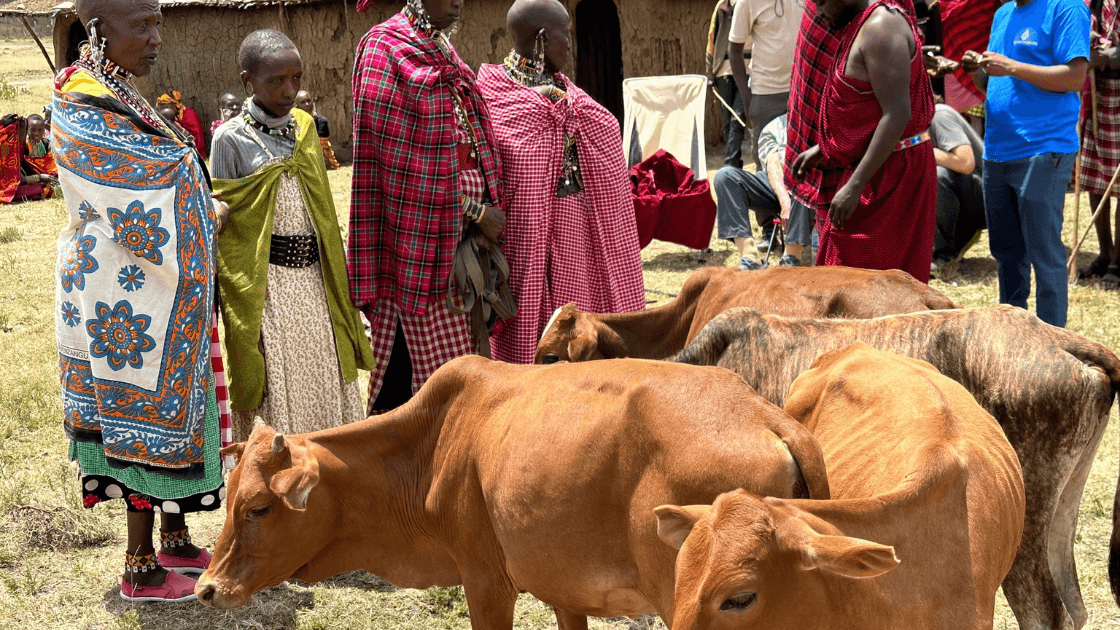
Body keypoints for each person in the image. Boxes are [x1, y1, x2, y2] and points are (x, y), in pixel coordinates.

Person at [52, 0, 231, 602]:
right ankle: (139, 567)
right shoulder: (81, 99)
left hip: (153, 286)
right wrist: (201, 205)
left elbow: (163, 167)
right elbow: (147, 179)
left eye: (159, 23)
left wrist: (196, 198)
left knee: (177, 407)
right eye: (143, 26)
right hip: (122, 298)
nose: (157, 37)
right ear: (101, 28)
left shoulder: (117, 88)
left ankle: (176, 537)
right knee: (137, 425)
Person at [211, 31, 372, 441]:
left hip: (316, 284)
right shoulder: (229, 139)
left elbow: (320, 209)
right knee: (279, 388)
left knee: (325, 376)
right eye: (276, 81)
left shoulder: (304, 128)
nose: (290, 90)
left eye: (296, 79)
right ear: (248, 81)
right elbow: (229, 228)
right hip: (269, 290)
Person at [350, 0, 506, 411]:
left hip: (463, 243)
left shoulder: (440, 49)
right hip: (416, 239)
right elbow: (396, 165)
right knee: (421, 369)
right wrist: (474, 211)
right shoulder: (384, 49)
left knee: (461, 356)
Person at [476, 0, 646, 365]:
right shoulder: (494, 97)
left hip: (576, 231)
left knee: (579, 325)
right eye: (564, 37)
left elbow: (603, 127)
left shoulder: (566, 93)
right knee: (531, 332)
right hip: (523, 237)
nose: (570, 45)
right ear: (540, 38)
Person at [961, 0, 1088, 326]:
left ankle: (1053, 343)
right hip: (998, 150)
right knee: (1006, 253)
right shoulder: (1004, 13)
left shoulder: (1066, 7)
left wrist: (1013, 66)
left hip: (1043, 149)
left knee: (1044, 254)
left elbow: (1075, 77)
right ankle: (1013, 337)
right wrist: (978, 70)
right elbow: (993, 85)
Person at [791, 0, 937, 283]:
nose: (819, 13)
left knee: (876, 284)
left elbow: (897, 114)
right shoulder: (861, 26)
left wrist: (854, 185)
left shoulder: (881, 28)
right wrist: (824, 148)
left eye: (822, 2)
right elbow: (872, 109)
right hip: (882, 164)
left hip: (897, 174)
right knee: (854, 282)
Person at [714, 114, 811, 269]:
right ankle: (750, 257)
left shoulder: (820, 124)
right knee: (725, 177)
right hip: (777, 184)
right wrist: (784, 201)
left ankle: (791, 260)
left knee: (807, 180)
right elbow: (773, 165)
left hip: (809, 187)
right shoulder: (775, 127)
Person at [728, 0, 801, 173]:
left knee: (800, 160)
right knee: (767, 164)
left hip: (802, 92)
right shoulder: (747, 2)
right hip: (765, 94)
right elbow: (734, 49)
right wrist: (747, 99)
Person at [1078, 0, 1120, 288]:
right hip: (1097, 93)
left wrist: (1107, 57)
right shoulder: (1094, 2)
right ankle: (1105, 253)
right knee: (1095, 179)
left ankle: (1119, 261)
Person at [929, 101, 986, 276]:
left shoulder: (939, 115)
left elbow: (965, 163)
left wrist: (921, 150)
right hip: (967, 195)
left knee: (939, 175)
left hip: (989, 200)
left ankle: (944, 255)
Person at [707, 0, 752, 168]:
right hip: (723, 71)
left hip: (747, 69)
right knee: (728, 120)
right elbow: (712, 39)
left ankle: (730, 163)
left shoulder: (753, 4)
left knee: (738, 117)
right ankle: (735, 161)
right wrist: (709, 72)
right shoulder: (721, 7)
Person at [294, 89, 340, 170]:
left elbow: (320, 144)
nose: (307, 104)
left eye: (308, 101)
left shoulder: (320, 121)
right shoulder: (293, 122)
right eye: (303, 102)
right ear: (297, 106)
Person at [156, 90, 207, 159]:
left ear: (175, 105)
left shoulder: (189, 115)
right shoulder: (159, 118)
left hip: (192, 153)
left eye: (166, 106)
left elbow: (198, 139)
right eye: (161, 107)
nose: (163, 110)